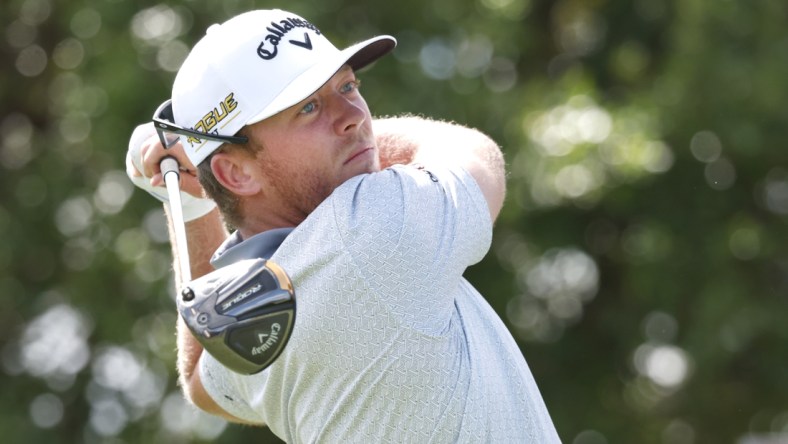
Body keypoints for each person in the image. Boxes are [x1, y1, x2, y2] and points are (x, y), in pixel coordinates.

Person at [126, 8, 560, 443]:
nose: (354, 115)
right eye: (309, 107)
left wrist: (188, 202)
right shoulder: (372, 228)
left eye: (348, 85)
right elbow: (474, 154)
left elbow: (202, 382)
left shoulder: (250, 319)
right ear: (236, 174)